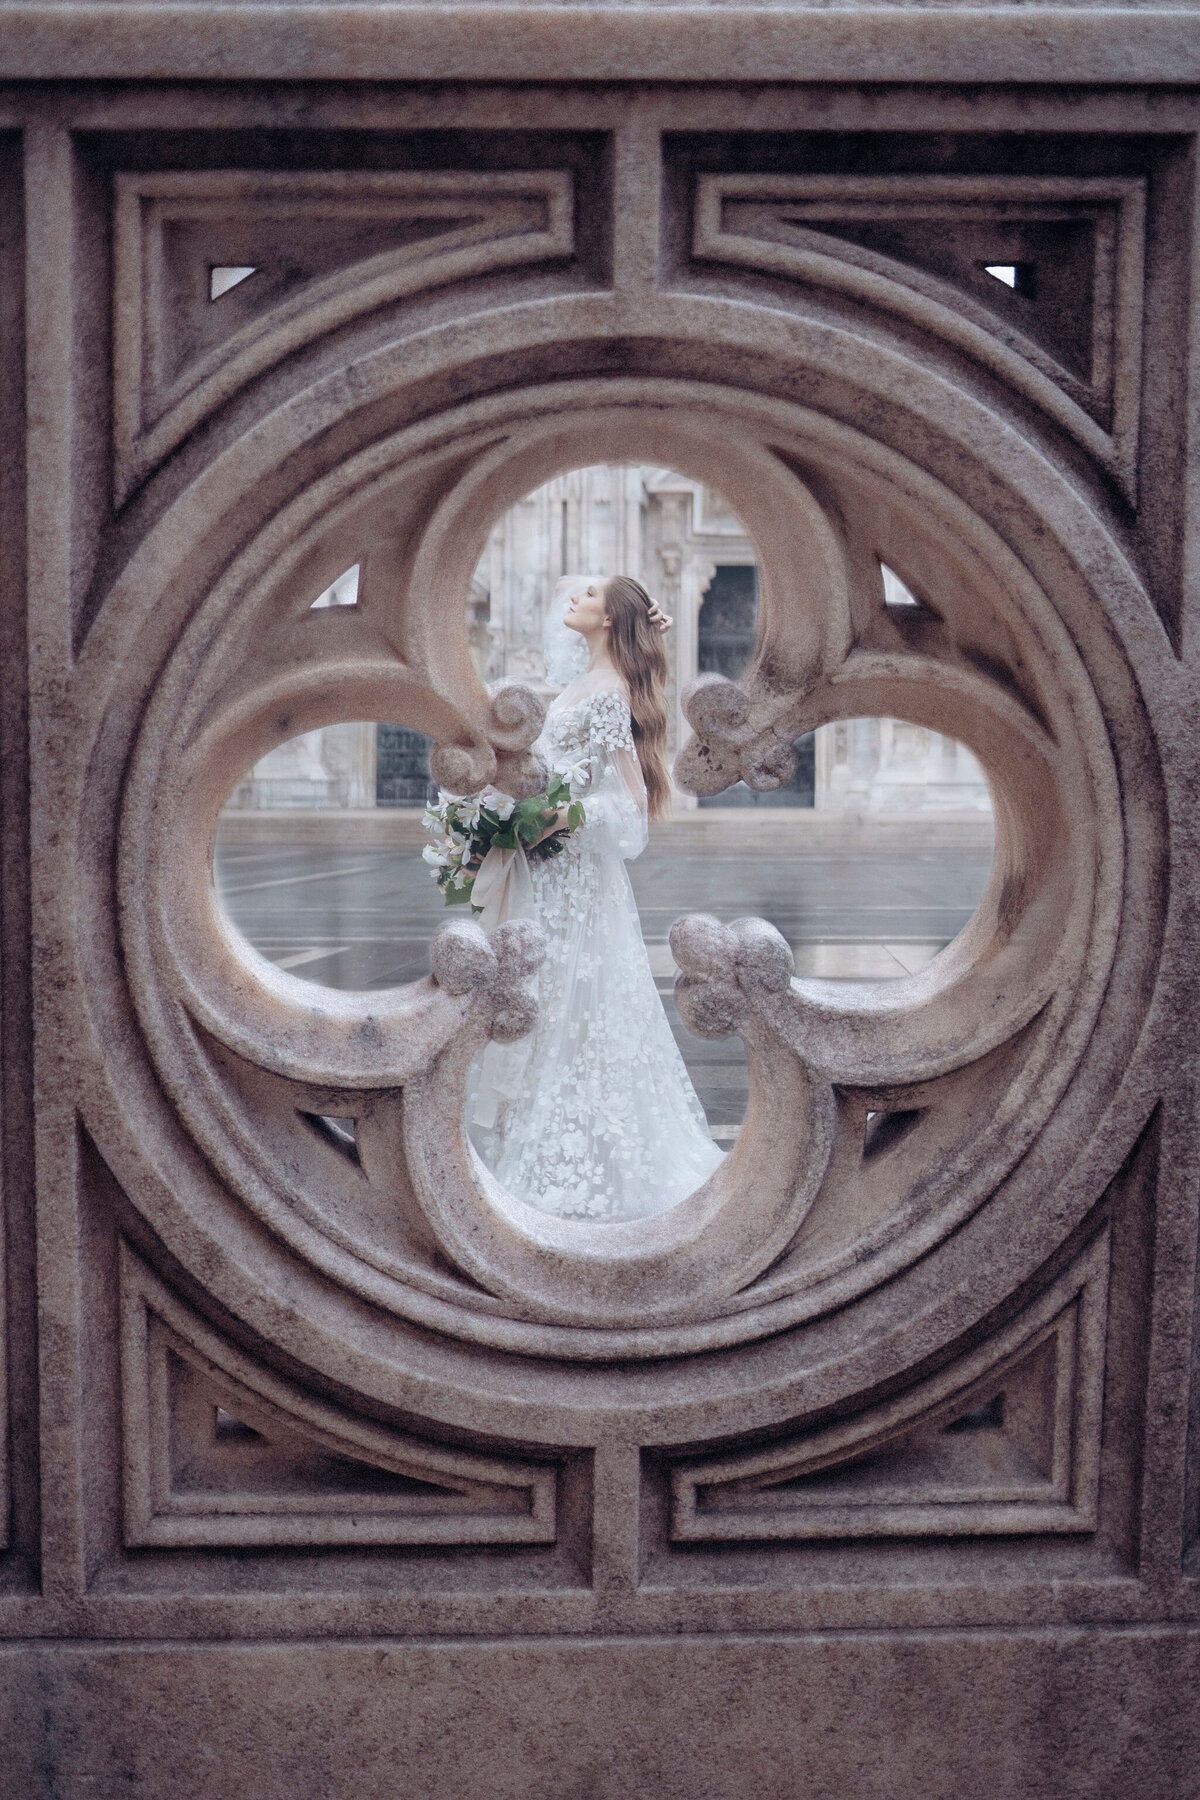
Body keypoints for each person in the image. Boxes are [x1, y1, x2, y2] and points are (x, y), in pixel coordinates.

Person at [468, 575, 724, 1222]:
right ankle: (539, 1128)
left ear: (608, 620)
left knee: (576, 1006)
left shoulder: (609, 693)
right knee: (549, 1002)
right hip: (553, 874)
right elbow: (558, 766)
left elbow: (631, 807)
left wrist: (560, 819)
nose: (573, 597)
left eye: (588, 594)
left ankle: (580, 1145)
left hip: (580, 879)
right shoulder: (586, 679)